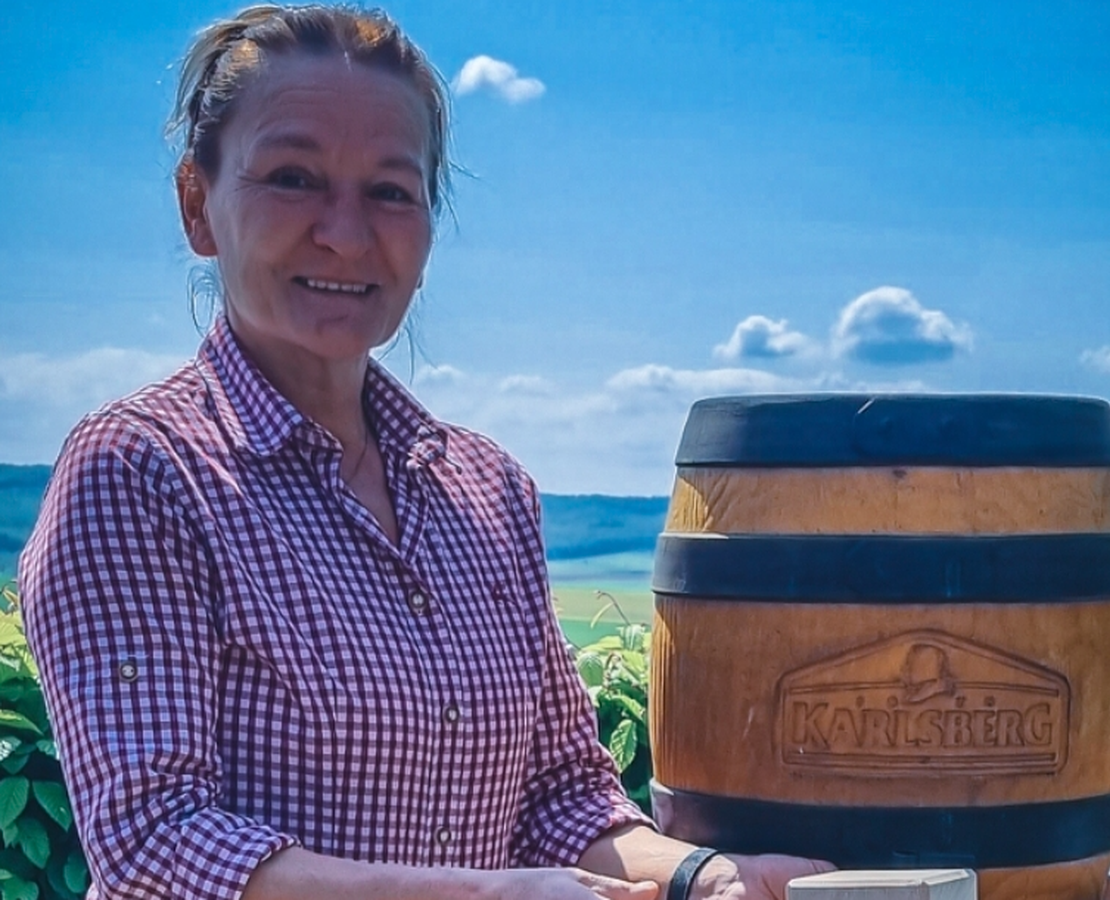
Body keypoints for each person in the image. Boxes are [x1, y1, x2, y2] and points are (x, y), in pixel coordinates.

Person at [19, 6, 832, 899]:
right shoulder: (139, 471)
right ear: (196, 205)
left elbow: (561, 800)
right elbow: (155, 845)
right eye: (293, 178)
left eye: (390, 191)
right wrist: (482, 894)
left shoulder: (488, 489)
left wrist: (707, 880)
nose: (345, 232)